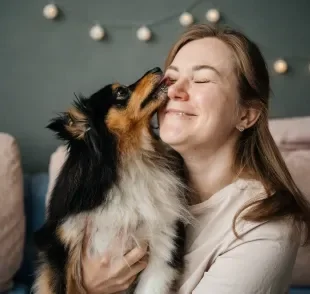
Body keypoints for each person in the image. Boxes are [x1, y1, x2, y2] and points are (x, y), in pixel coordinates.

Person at [81, 24, 310, 293]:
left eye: (202, 80)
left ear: (246, 115)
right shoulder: (128, 184)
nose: (173, 91)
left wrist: (87, 288)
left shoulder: (266, 228)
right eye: (170, 79)